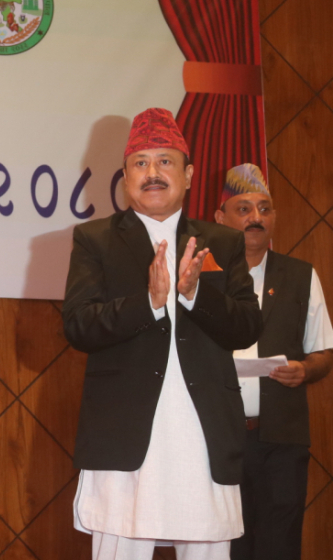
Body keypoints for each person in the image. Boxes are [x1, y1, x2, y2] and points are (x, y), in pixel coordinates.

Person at [63, 108, 262, 560]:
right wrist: (150, 303)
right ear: (125, 177)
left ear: (188, 175)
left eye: (165, 161)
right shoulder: (95, 239)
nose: (152, 173)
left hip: (203, 433)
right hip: (125, 433)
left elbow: (248, 326)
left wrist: (194, 295)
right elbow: (78, 325)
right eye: (140, 163)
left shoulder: (222, 241)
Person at [213, 164, 333, 560]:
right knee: (225, 546)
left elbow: (324, 352)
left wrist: (305, 370)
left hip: (281, 441)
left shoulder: (300, 276)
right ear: (220, 218)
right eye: (244, 208)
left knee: (278, 546)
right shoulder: (204, 279)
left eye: (264, 209)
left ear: (274, 218)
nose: (256, 217)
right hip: (219, 439)